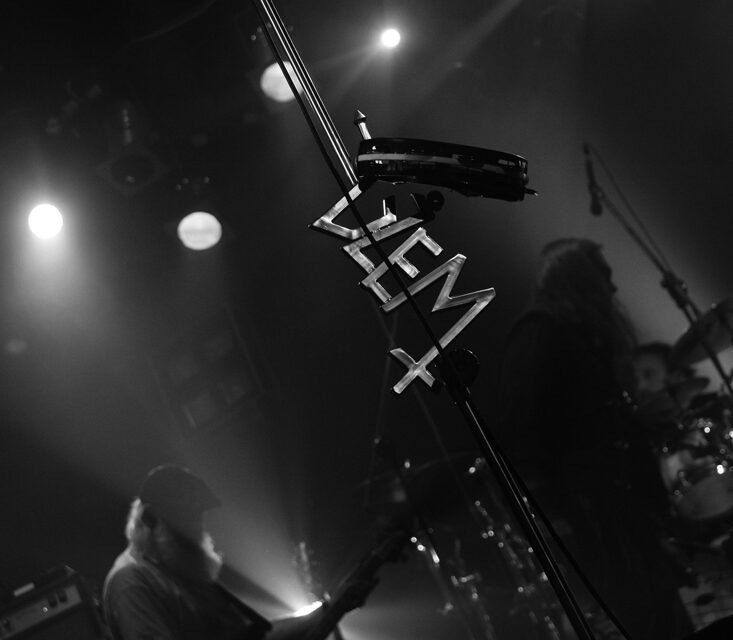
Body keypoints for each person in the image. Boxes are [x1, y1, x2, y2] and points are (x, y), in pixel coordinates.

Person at [494, 238, 691, 639]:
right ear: (578, 278)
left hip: (622, 523)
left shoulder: (582, 339)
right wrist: (560, 534)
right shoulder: (540, 333)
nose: (613, 288)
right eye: (604, 275)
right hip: (595, 531)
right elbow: (524, 441)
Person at [103, 465, 370, 640]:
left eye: (197, 518)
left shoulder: (177, 571)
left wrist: (328, 610)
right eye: (185, 519)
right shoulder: (131, 582)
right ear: (150, 519)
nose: (197, 530)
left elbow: (254, 636)